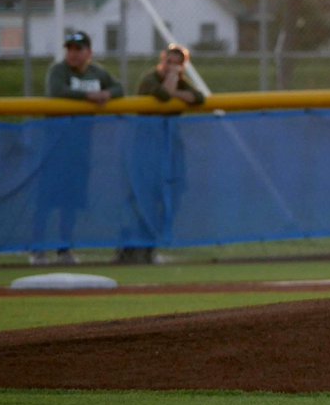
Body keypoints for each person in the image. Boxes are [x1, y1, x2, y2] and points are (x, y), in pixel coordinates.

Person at [34, 30, 125, 265]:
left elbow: (119, 89)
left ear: (89, 52)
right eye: (70, 49)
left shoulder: (97, 72)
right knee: (46, 200)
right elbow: (57, 91)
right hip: (56, 145)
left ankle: (64, 249)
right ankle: (38, 249)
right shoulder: (59, 70)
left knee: (71, 201)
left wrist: (106, 93)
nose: (73, 54)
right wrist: (89, 96)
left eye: (78, 49)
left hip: (80, 147)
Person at [115, 43, 206, 263]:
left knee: (168, 197)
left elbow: (199, 97)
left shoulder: (182, 81)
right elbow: (164, 95)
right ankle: (129, 248)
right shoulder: (150, 79)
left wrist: (177, 88)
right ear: (162, 60)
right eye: (168, 62)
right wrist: (173, 82)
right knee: (142, 198)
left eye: (177, 64)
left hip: (170, 149)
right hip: (146, 148)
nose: (171, 67)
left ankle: (150, 247)